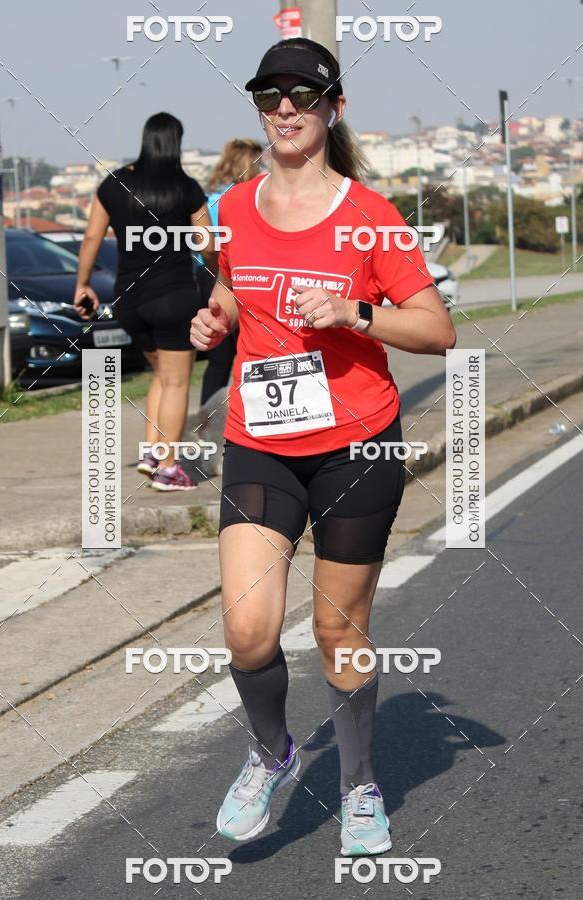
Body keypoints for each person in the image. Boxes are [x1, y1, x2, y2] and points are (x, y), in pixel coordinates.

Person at [190, 38, 456, 856]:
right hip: (261, 440)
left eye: (302, 96)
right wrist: (217, 320)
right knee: (248, 629)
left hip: (356, 447)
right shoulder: (229, 209)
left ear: (332, 108)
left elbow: (437, 329)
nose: (285, 110)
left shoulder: (370, 216)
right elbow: (231, 290)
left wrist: (355, 315)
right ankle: (272, 754)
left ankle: (359, 784)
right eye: (270, 97)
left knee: (339, 634)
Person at [74, 112, 217, 491]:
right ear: (176, 143)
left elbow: (91, 239)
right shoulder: (186, 188)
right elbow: (207, 243)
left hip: (129, 300)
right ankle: (168, 469)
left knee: (160, 375)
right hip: (173, 298)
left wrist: (83, 284)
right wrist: (222, 276)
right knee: (176, 382)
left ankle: (152, 452)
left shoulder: (115, 182)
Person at [196, 138, 263, 407]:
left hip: (207, 274)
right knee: (248, 349)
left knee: (219, 358)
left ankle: (207, 418)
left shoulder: (212, 199)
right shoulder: (246, 199)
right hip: (229, 275)